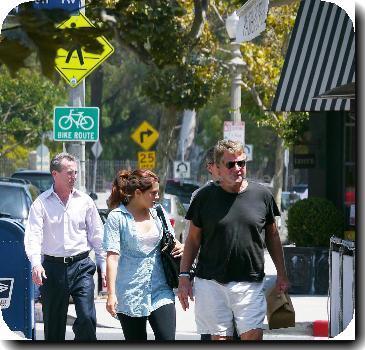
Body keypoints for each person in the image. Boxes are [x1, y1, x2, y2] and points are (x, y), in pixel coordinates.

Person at [177, 139, 289, 341]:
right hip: (210, 282)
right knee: (220, 340)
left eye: (242, 163)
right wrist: (184, 276)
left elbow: (272, 236)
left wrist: (282, 273)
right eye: (231, 164)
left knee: (252, 335)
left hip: (250, 281)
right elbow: (193, 240)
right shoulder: (203, 197)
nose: (237, 168)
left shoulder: (262, 195)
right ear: (218, 168)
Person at [24, 152, 106, 341]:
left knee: (86, 318)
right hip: (52, 269)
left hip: (82, 266)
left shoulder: (85, 201)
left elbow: (97, 235)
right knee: (53, 327)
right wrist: (36, 264)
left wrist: (103, 267)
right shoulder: (41, 203)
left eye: (75, 173)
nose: (74, 177)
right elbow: (33, 236)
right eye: (69, 173)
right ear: (55, 174)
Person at [103, 169, 184, 341]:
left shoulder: (158, 212)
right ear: (138, 193)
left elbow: (171, 242)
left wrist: (182, 247)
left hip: (160, 288)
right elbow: (112, 257)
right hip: (130, 292)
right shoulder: (117, 217)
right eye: (153, 193)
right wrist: (111, 293)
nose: (157, 197)